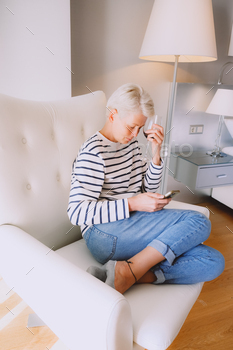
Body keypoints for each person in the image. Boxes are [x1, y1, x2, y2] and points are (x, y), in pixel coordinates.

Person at [67, 83, 225, 294]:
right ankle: (131, 270)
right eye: (131, 126)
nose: (135, 134)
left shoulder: (130, 145)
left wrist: (156, 154)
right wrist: (133, 203)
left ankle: (124, 274)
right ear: (113, 115)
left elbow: (146, 187)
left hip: (131, 226)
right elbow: (76, 213)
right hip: (103, 234)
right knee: (199, 221)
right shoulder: (93, 152)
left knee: (213, 261)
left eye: (140, 128)